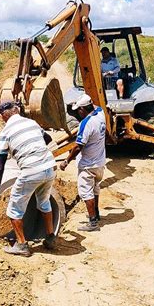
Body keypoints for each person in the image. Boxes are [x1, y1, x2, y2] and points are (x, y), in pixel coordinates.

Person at [0, 101, 57, 256]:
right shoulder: (31, 123)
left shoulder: (5, 133)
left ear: (2, 117)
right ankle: (50, 238)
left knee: (14, 209)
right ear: (17, 111)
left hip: (32, 171)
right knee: (44, 201)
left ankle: (22, 245)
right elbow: (47, 139)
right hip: (49, 167)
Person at [60, 94, 106, 232]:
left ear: (82, 109)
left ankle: (92, 223)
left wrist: (66, 161)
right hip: (100, 162)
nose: (78, 112)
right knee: (95, 188)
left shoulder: (86, 123)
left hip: (88, 165)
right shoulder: (101, 115)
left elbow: (78, 146)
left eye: (78, 110)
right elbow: (97, 106)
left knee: (86, 192)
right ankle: (96, 215)